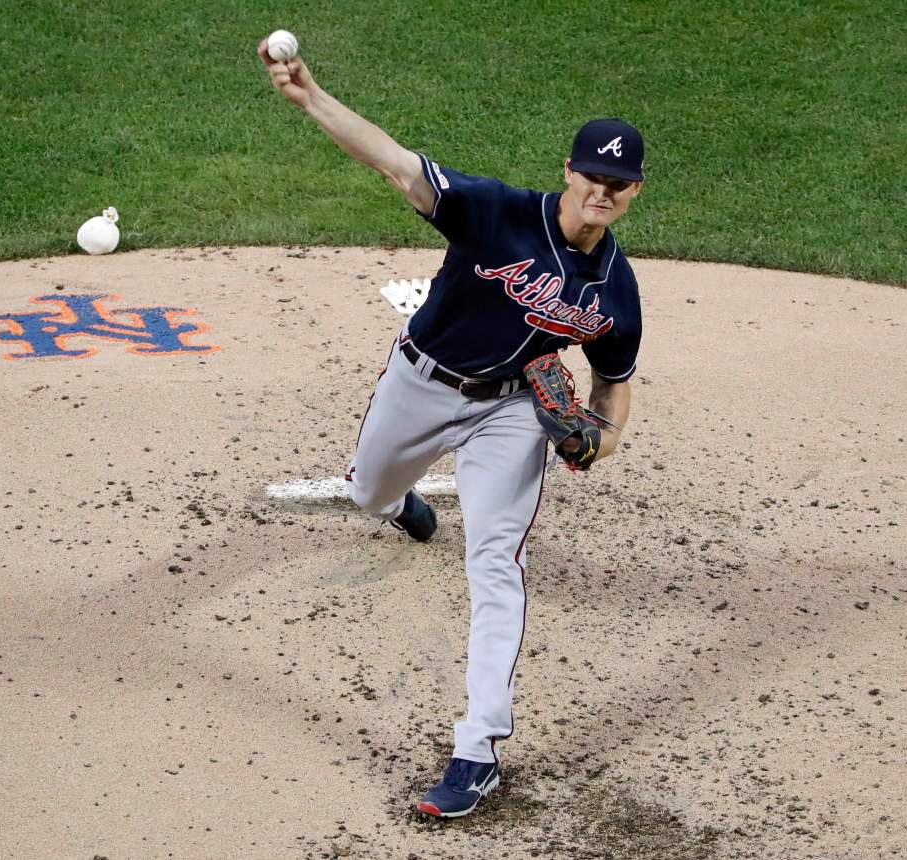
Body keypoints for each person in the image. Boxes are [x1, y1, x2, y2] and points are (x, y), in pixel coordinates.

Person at [258, 38, 643, 818]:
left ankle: (477, 750)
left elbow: (614, 386)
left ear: (634, 190)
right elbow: (398, 164)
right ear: (569, 171)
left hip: (511, 412)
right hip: (422, 384)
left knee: (498, 564)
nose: (602, 191)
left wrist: (591, 442)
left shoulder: (616, 291)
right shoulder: (497, 212)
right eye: (593, 176)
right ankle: (399, 503)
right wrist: (313, 97)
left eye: (619, 183)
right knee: (368, 491)